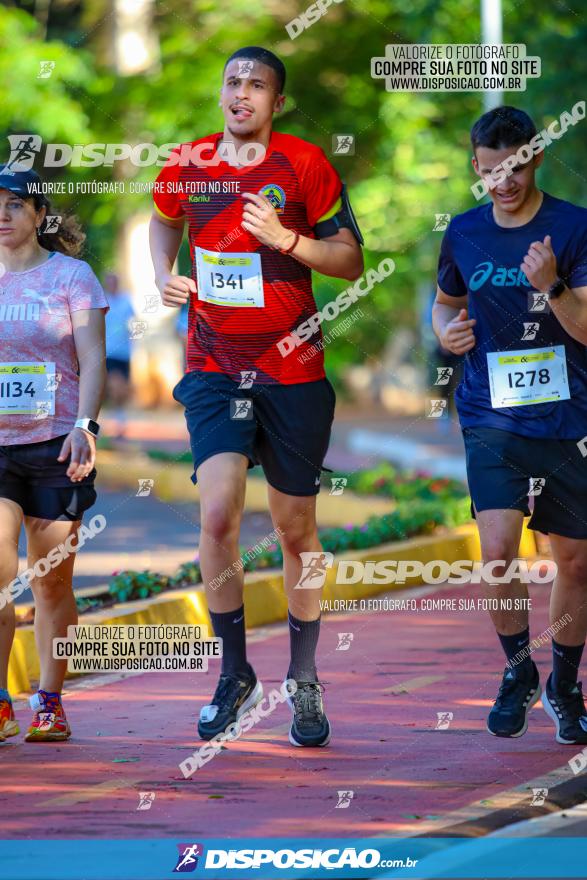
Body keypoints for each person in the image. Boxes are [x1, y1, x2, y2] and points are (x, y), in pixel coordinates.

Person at [149, 46, 363, 748]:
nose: (242, 93)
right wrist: (164, 273)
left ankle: (303, 680)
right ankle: (233, 671)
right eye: (232, 81)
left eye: (257, 85)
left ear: (276, 102)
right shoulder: (188, 162)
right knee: (217, 515)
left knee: (296, 530)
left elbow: (350, 259)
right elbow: (162, 220)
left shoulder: (304, 165)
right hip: (213, 364)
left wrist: (287, 239)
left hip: (293, 373)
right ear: (222, 92)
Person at [433, 106, 587, 744]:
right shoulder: (464, 233)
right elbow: (445, 305)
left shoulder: (574, 227)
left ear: (536, 156)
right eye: (492, 171)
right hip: (489, 412)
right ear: (477, 166)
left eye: (517, 166)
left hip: (570, 418)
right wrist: (449, 334)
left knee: (574, 563)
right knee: (497, 553)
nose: (505, 182)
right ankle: (519, 671)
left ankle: (565, 684)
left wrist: (553, 288)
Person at [0, 165, 107, 742]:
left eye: (14, 204)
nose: (2, 215)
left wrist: (85, 427)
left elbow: (92, 357)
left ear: (40, 215)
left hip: (55, 445)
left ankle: (49, 699)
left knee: (50, 584)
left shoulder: (73, 276)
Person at [103, 272, 134, 438]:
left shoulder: (126, 301)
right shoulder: (103, 301)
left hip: (125, 352)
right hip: (109, 351)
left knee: (122, 390)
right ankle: (115, 424)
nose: (112, 285)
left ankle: (120, 420)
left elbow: (133, 323)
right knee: (115, 385)